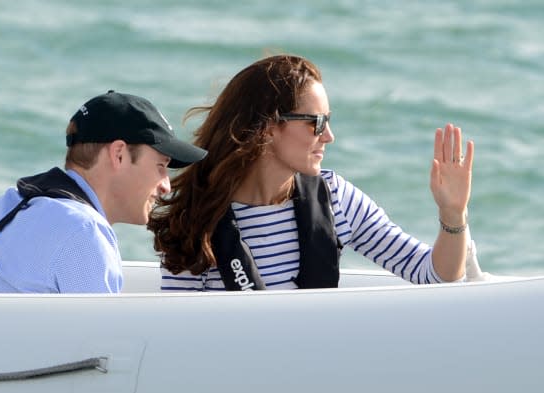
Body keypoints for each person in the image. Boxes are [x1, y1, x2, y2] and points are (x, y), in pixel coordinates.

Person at [148, 54, 474, 291]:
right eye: (316, 123)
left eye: (328, 121)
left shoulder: (336, 198)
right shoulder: (196, 218)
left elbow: (436, 275)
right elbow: (184, 334)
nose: (328, 136)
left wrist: (453, 214)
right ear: (268, 129)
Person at [0, 90, 207, 293]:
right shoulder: (84, 230)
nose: (166, 185)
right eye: (160, 166)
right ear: (119, 154)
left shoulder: (17, 201)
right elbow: (104, 344)